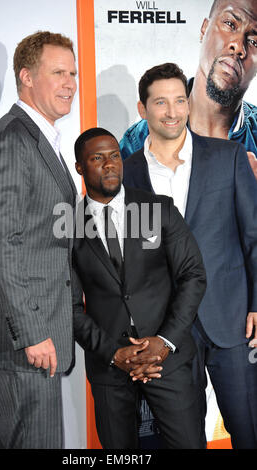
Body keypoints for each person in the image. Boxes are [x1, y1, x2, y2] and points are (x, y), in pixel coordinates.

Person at [123, 62, 257, 449]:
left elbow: (253, 237)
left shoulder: (228, 157)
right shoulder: (127, 174)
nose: (173, 111)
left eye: (180, 100)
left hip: (231, 322)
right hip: (166, 329)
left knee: (249, 430)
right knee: (182, 439)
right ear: (142, 109)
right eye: (161, 102)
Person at [0, 31, 78, 449]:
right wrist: (31, 331)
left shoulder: (39, 138)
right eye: (58, 72)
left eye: (73, 73)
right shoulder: (11, 141)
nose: (70, 83)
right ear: (26, 76)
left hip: (28, 333)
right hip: (19, 338)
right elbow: (2, 246)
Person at [72, 127, 207, 449]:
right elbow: (68, 305)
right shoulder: (67, 225)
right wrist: (113, 353)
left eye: (115, 156)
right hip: (110, 367)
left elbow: (193, 275)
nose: (109, 165)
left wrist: (165, 341)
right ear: (80, 167)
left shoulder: (158, 209)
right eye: (97, 158)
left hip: (168, 361)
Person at [120, 0, 257, 180]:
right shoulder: (139, 141)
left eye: (254, 40)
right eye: (230, 24)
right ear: (204, 29)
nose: (238, 46)